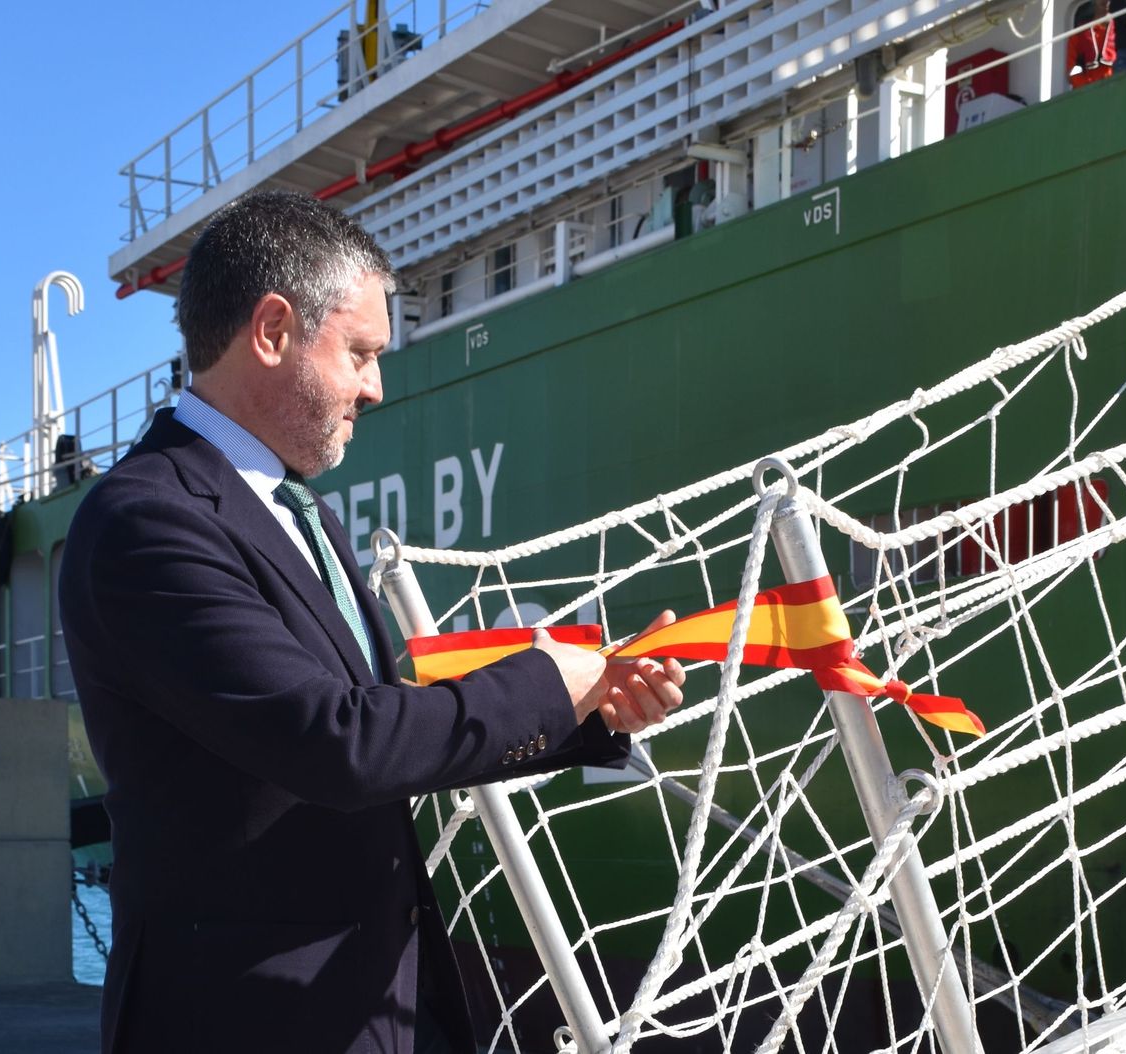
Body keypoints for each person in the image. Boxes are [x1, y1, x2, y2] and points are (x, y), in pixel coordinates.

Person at [58, 189, 686, 1054]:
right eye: (359, 352)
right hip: (247, 1021)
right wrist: (547, 683)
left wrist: (587, 707)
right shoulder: (145, 520)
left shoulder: (295, 510)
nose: (376, 387)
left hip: (371, 1003)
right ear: (273, 332)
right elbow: (334, 741)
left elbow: (383, 708)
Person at [1067, 0, 1117, 87]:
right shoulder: (1079, 33)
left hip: (1116, 86)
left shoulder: (1122, 30)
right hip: (1088, 91)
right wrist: (1087, 87)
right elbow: (1071, 71)